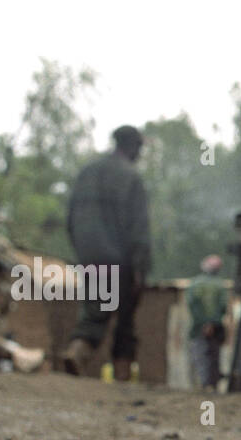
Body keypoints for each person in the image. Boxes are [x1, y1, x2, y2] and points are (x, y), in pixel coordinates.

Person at [62, 125, 151, 381]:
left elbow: (70, 219)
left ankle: (77, 351)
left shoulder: (87, 172)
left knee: (94, 311)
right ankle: (121, 377)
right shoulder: (131, 177)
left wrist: (83, 252)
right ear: (133, 147)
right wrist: (140, 269)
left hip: (90, 256)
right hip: (121, 260)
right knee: (125, 321)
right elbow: (139, 229)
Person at [187, 255, 228, 390]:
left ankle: (205, 385)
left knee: (201, 357)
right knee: (213, 357)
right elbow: (222, 307)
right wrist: (211, 323)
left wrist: (204, 323)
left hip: (199, 327)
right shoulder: (220, 285)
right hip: (215, 328)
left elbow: (193, 305)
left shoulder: (195, 284)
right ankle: (211, 385)